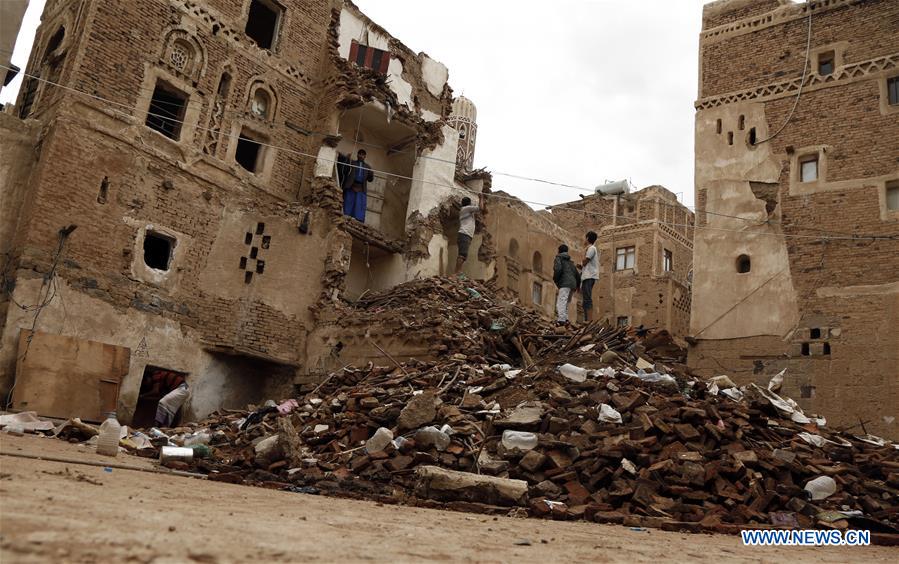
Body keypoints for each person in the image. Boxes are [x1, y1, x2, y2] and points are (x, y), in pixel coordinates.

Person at [341, 149, 374, 222]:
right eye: (360, 154)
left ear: (365, 156)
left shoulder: (368, 167)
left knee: (359, 206)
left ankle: (358, 221)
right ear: (357, 155)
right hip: (351, 187)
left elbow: (370, 180)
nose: (361, 156)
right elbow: (345, 172)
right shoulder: (352, 163)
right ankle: (346, 219)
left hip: (361, 188)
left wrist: (371, 173)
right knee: (348, 203)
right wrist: (347, 160)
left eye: (363, 154)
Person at [456, 193, 484, 274]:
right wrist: (481, 198)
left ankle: (458, 271)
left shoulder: (465, 210)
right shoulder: (466, 209)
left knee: (463, 255)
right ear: (469, 203)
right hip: (464, 234)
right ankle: (458, 272)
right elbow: (481, 208)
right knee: (462, 254)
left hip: (465, 235)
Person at [553, 244, 580, 325]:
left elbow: (558, 269)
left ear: (559, 251)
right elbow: (577, 275)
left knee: (561, 302)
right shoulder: (571, 263)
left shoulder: (558, 258)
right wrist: (578, 285)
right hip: (573, 285)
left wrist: (555, 279)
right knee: (566, 302)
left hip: (565, 283)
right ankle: (566, 319)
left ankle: (561, 320)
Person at [581, 231, 599, 321]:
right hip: (586, 276)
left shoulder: (591, 248)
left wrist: (584, 251)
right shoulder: (590, 248)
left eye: (585, 238)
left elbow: (585, 261)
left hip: (589, 276)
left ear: (587, 238)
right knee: (585, 300)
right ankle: (586, 320)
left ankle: (589, 321)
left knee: (587, 299)